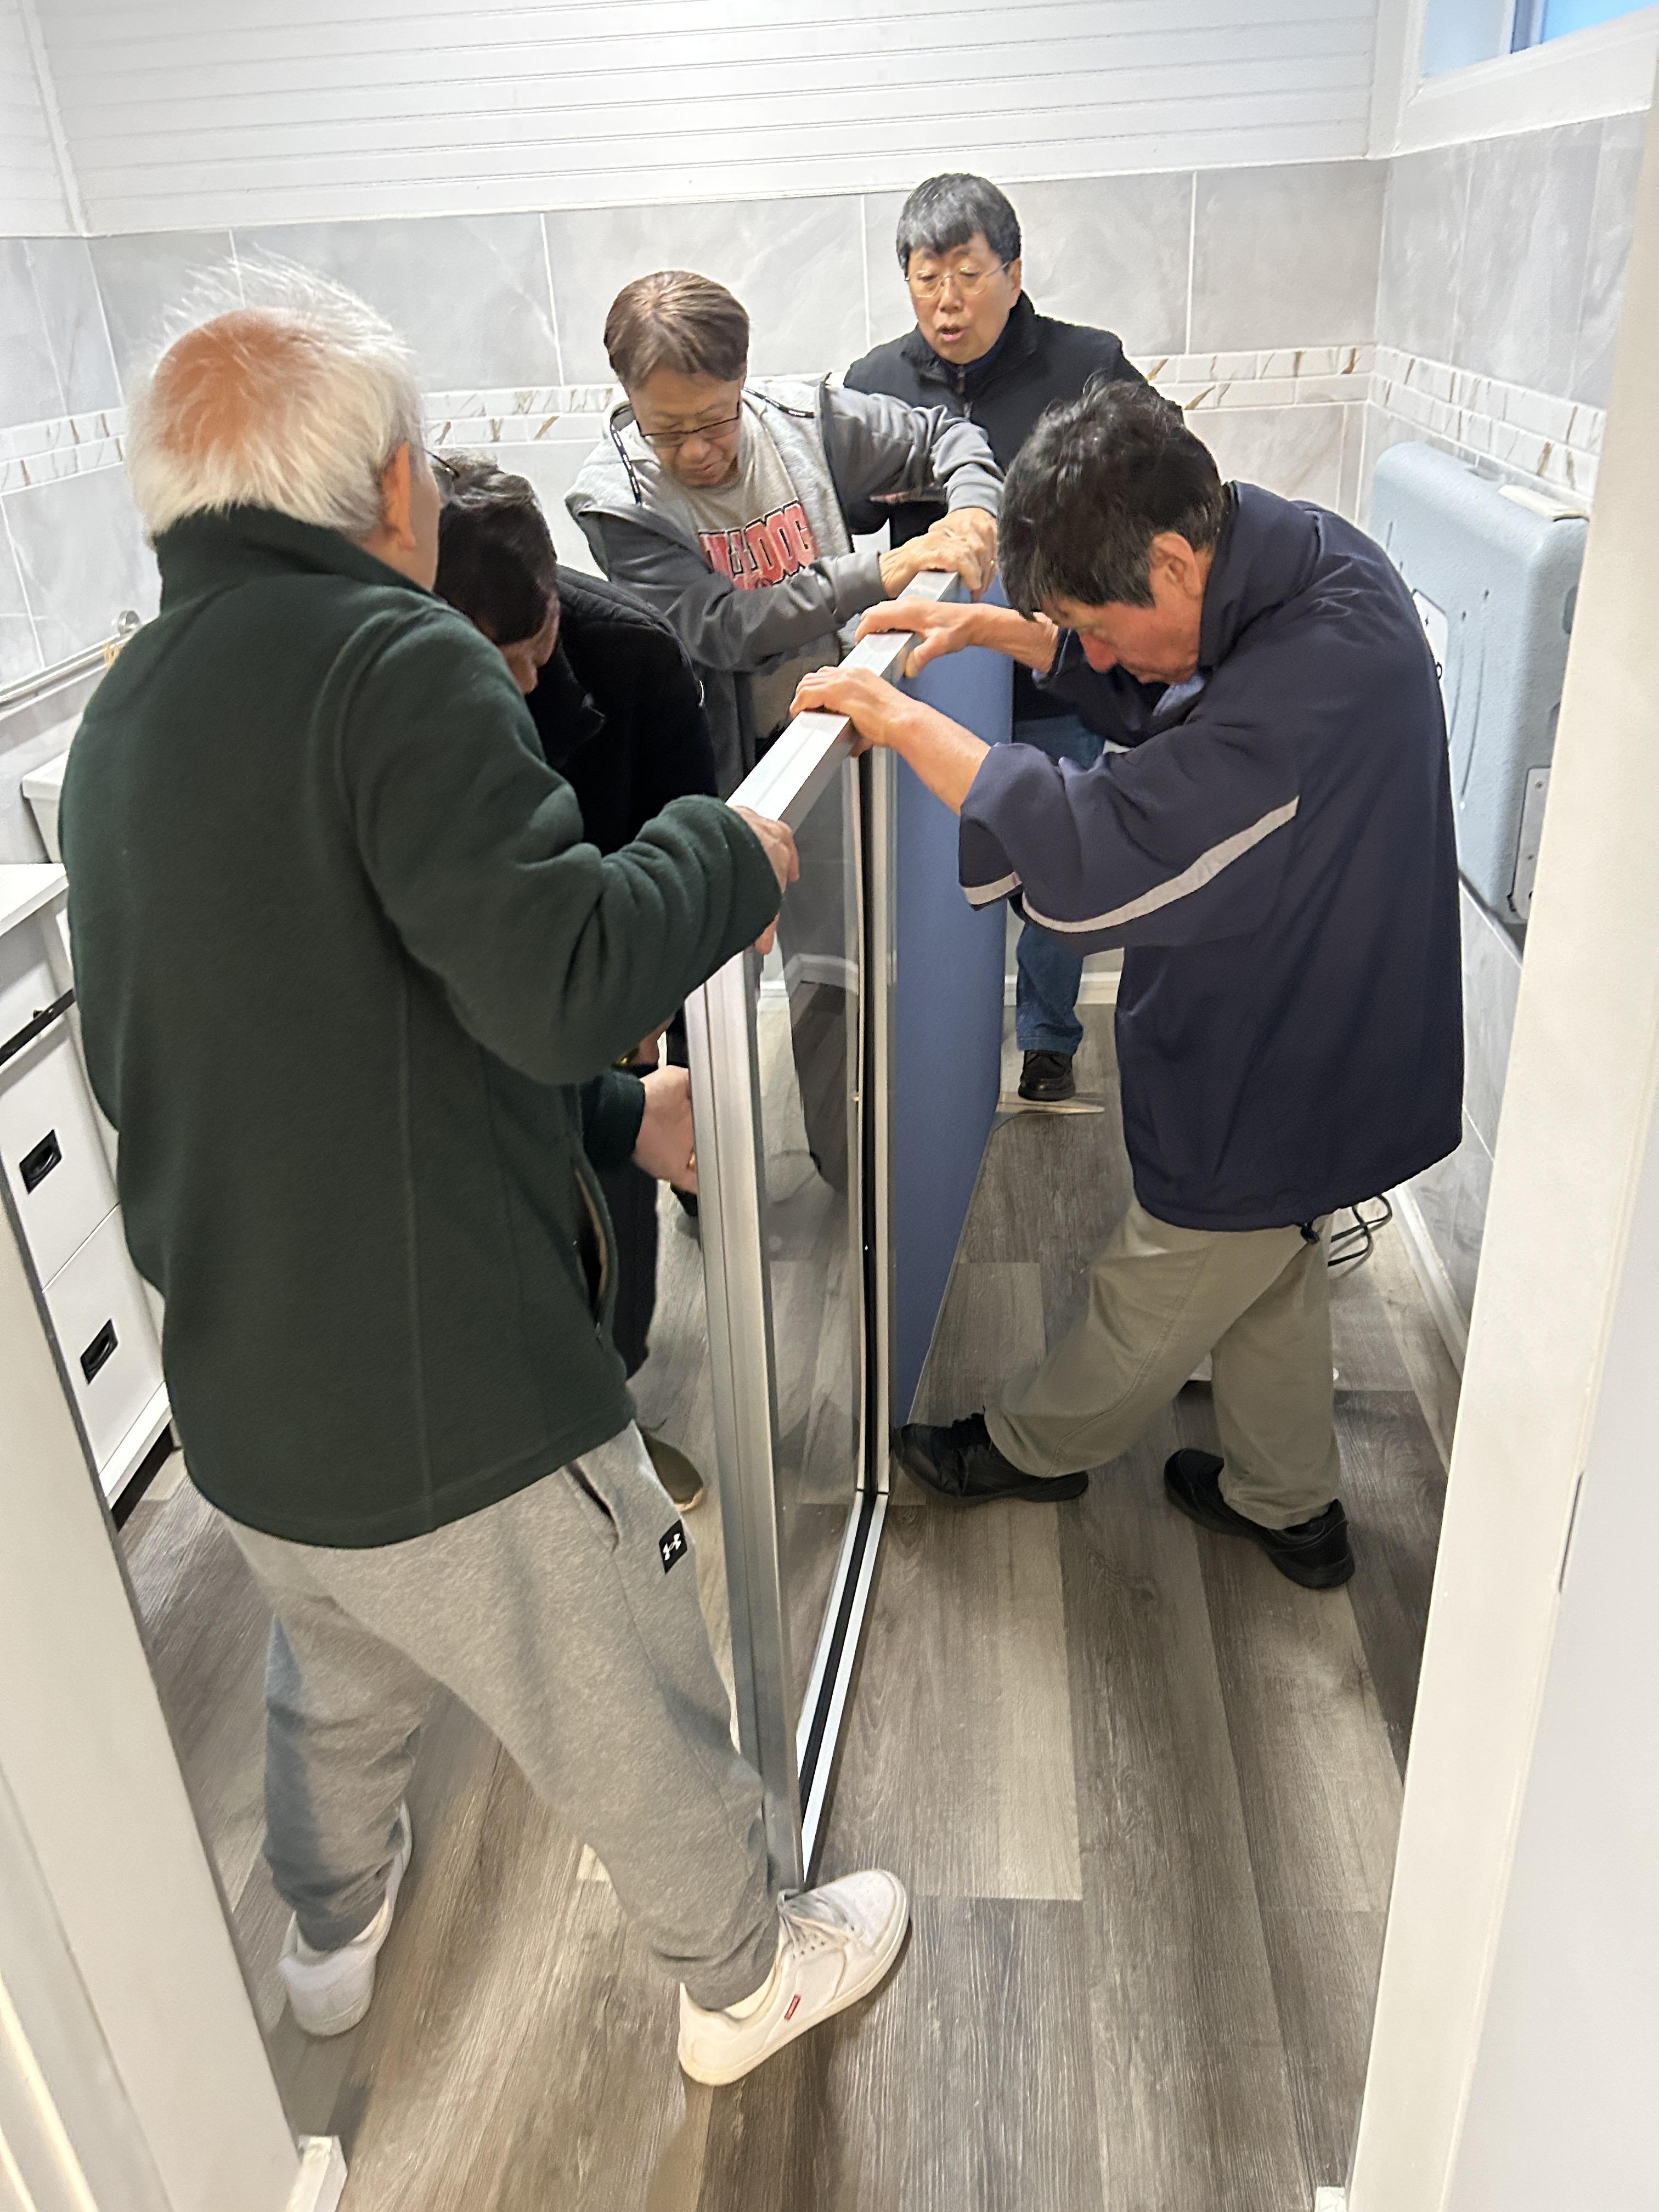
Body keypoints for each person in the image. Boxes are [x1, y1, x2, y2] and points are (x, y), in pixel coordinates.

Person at [61, 267, 908, 2084]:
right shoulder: (391, 657)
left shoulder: (127, 715)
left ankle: (330, 1934)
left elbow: (340, 1047)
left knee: (336, 1673)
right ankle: (742, 1977)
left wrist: (609, 1126)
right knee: (621, 1685)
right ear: (390, 484)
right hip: (446, 1391)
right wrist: (729, 850)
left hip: (249, 1394)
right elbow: (562, 978)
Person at [792, 383, 1464, 1591]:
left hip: (1288, 1048)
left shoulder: (1305, 694)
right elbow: (1178, 679)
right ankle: (1289, 1503)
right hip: (1336, 995)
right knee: (1273, 1256)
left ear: (1170, 559)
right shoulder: (1306, 557)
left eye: (1093, 627)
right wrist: (1012, 634)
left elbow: (1104, 840)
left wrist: (900, 721)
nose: (1092, 655)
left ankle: (1029, 1448)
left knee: (1164, 1275)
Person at [432, 453, 714, 1511]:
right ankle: (521, 1440)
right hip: (462, 978)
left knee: (611, 1198)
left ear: (552, 602)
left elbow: (695, 821)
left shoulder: (632, 652)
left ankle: (613, 1414)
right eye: (482, 658)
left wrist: (641, 985)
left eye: (530, 648)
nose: (514, 684)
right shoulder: (390, 673)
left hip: (605, 964)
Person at [847, 173, 1149, 1108]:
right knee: (948, 875)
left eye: (968, 274)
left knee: (1059, 859)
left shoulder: (1087, 363)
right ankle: (947, 1048)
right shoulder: (874, 382)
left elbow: (1159, 473)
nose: (946, 300)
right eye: (925, 275)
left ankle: (1048, 1038)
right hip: (938, 680)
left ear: (1012, 275)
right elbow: (848, 513)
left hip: (1058, 674)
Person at [565, 268, 1003, 797]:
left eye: (714, 420)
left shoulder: (803, 421)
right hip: (737, 771)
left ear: (742, 375)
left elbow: (943, 437)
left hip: (845, 731)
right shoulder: (620, 501)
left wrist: (974, 510)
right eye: (667, 430)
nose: (696, 450)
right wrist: (881, 572)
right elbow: (724, 628)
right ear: (629, 395)